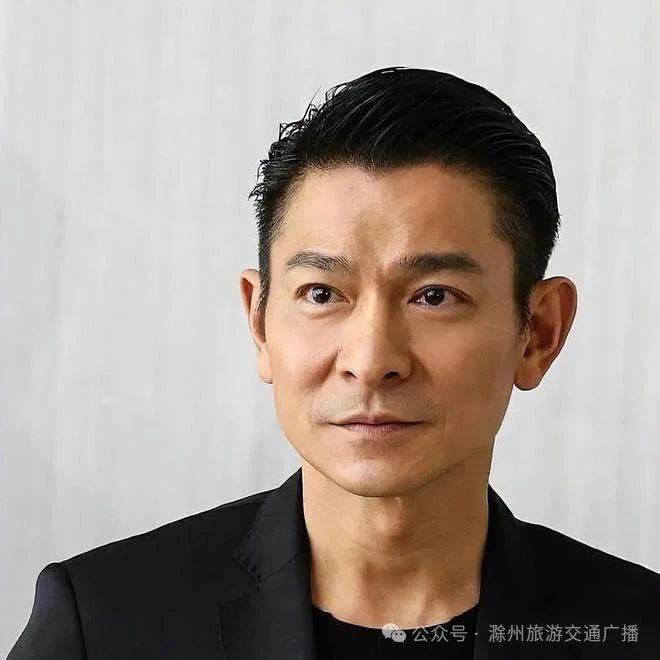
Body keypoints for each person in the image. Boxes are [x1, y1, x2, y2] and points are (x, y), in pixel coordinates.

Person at [8, 66, 659, 659]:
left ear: (538, 332)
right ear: (260, 321)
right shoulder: (105, 625)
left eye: (434, 296)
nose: (371, 361)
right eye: (322, 294)